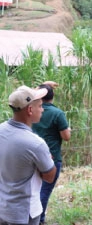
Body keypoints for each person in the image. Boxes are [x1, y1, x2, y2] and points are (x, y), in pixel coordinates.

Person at [0, 85, 56, 225]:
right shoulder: (36, 144)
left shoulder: (1, 130)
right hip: (25, 212)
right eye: (40, 106)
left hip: (3, 207)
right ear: (30, 110)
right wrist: (47, 160)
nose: (42, 109)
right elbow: (50, 177)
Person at [32, 84, 71, 224]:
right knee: (45, 190)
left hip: (31, 156)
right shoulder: (57, 113)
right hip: (51, 156)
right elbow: (66, 136)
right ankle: (39, 220)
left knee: (33, 189)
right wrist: (69, 130)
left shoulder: (30, 110)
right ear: (52, 96)